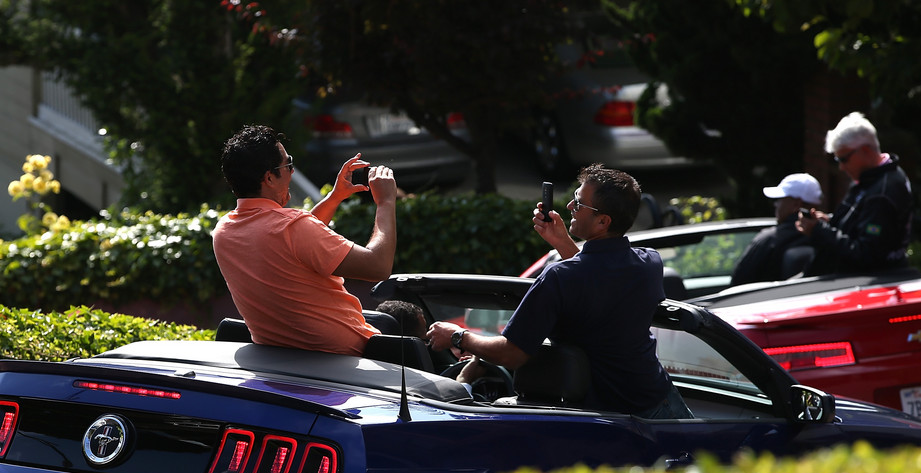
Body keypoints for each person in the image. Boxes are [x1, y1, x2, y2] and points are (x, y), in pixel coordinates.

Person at [426, 163, 692, 419]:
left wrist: (458, 336)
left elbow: (512, 354)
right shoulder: (650, 263)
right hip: (663, 402)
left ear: (602, 221)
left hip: (610, 419)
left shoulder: (560, 277)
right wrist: (563, 243)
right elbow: (597, 277)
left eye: (578, 203)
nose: (569, 207)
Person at [213, 125, 397, 355]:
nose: (292, 171)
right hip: (347, 358)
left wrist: (336, 196)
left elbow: (294, 244)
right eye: (288, 164)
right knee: (403, 316)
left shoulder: (224, 231)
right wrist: (386, 202)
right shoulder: (292, 228)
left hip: (282, 356)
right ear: (269, 178)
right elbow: (378, 267)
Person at [796, 111, 912, 276]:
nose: (841, 167)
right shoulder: (873, 177)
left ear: (865, 150)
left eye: (843, 159)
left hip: (861, 285)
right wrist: (829, 221)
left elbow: (865, 254)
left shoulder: (882, 194)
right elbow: (859, 225)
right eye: (837, 161)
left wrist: (820, 231)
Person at [730, 173, 823, 285]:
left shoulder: (769, 239)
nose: (776, 205)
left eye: (780, 199)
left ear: (796, 204)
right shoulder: (828, 237)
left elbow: (738, 283)